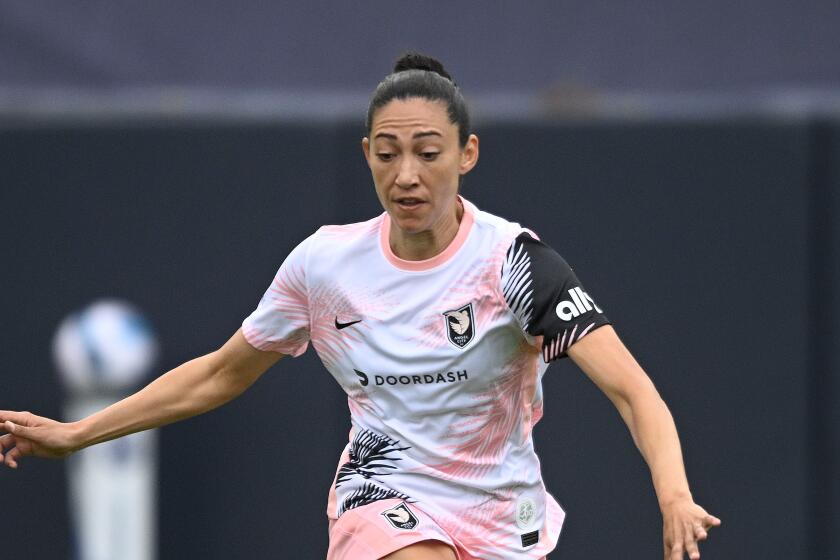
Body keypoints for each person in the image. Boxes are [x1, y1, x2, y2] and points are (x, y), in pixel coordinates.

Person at [0, 53, 720, 560]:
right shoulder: (324, 265)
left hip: (503, 511)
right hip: (382, 489)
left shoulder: (515, 265)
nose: (406, 174)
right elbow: (220, 374)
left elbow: (632, 391)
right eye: (387, 152)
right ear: (367, 153)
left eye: (428, 152)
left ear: (467, 154)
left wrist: (674, 495)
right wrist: (77, 434)